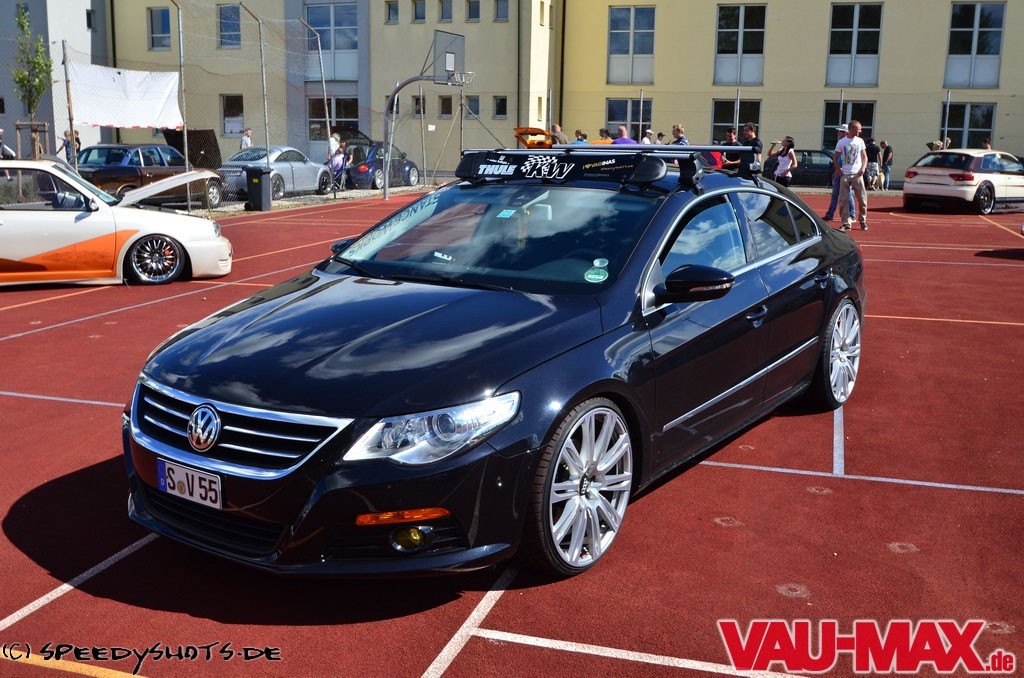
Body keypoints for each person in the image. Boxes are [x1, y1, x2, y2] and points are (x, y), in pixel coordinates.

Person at [835, 120, 868, 231]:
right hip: (845, 174)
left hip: (857, 174)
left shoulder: (860, 141)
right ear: (852, 129)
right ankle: (846, 222)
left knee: (862, 199)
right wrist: (838, 170)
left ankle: (862, 220)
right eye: (858, 129)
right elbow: (835, 158)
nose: (860, 131)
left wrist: (863, 168)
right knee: (843, 200)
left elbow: (865, 157)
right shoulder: (841, 142)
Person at [823, 125, 855, 222]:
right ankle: (830, 214)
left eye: (841, 131)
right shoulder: (840, 143)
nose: (839, 133)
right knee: (836, 195)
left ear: (846, 133)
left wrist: (840, 169)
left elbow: (847, 160)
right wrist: (836, 171)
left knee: (848, 194)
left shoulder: (848, 143)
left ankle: (852, 214)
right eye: (839, 131)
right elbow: (838, 159)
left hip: (845, 173)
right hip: (839, 172)